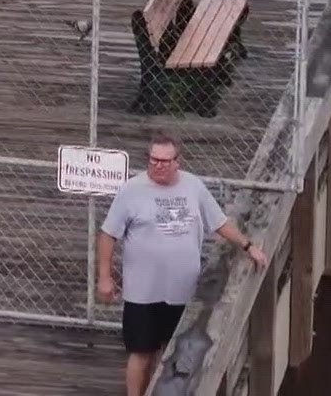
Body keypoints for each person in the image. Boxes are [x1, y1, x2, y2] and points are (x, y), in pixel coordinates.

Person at [97, 134, 267, 396]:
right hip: (142, 293)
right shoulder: (130, 190)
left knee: (172, 352)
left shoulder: (194, 187)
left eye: (166, 161)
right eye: (154, 160)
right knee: (140, 352)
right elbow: (108, 234)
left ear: (178, 161)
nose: (159, 166)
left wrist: (248, 247)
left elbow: (220, 223)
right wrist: (105, 277)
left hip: (182, 291)